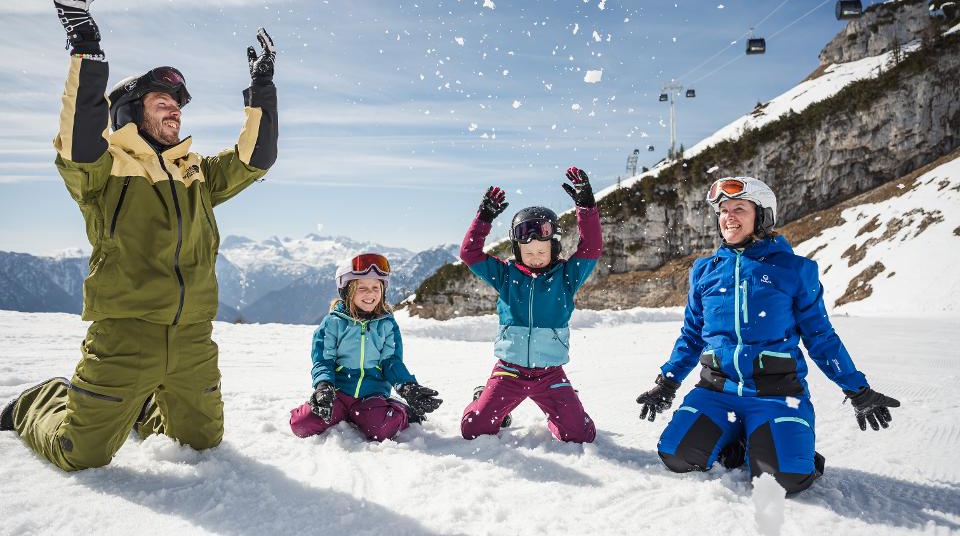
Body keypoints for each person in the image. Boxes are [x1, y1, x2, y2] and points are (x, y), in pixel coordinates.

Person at [0, 0, 279, 471]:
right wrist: (86, 50)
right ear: (131, 112)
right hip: (125, 335)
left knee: (201, 444)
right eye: (162, 103)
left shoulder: (195, 173)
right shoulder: (107, 169)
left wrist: (261, 87)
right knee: (79, 454)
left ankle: (144, 402)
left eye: (177, 104)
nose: (174, 110)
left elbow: (254, 159)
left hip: (192, 336)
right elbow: (78, 140)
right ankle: (37, 401)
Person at [636, 176, 901, 494]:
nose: (728, 216)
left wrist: (857, 390)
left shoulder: (794, 269)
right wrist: (667, 382)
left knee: (783, 479)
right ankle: (741, 440)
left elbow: (820, 336)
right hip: (716, 391)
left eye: (739, 208)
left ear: (762, 216)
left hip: (776, 393)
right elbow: (693, 335)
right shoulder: (704, 270)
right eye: (723, 210)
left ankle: (780, 447)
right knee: (676, 456)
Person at [459, 168, 602, 443]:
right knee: (473, 430)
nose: (535, 257)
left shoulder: (566, 277)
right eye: (528, 252)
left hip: (549, 373)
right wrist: (484, 218)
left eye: (541, 251)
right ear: (517, 251)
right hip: (508, 371)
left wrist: (586, 207)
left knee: (581, 435)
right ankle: (483, 399)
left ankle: (563, 406)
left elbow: (591, 248)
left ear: (554, 248)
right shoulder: (505, 276)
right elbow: (469, 253)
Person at [289, 253, 442, 442]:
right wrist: (323, 387)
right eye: (362, 288)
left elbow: (391, 362)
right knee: (302, 424)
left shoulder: (387, 325)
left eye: (375, 287)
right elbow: (323, 360)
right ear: (347, 291)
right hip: (338, 393)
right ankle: (340, 412)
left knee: (381, 431)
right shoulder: (332, 323)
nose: (370, 294)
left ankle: (401, 410)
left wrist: (407, 386)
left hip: (371, 395)